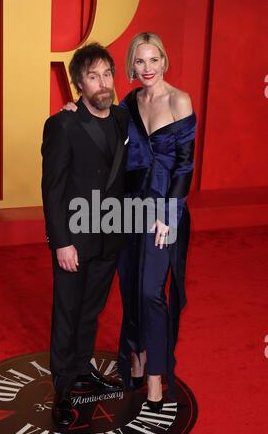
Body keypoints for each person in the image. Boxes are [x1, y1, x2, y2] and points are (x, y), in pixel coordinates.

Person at [63, 32, 196, 413]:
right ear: (131, 67)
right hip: (128, 211)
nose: (147, 68)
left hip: (165, 212)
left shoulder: (180, 100)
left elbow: (185, 166)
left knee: (151, 292)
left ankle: (155, 375)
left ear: (164, 61)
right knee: (130, 288)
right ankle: (135, 358)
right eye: (140, 62)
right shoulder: (128, 103)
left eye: (154, 60)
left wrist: (168, 216)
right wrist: (74, 108)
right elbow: (100, 118)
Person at [41, 43, 129, 426]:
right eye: (93, 76)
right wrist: (61, 241)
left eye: (107, 74)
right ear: (79, 83)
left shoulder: (124, 119)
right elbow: (53, 188)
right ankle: (61, 387)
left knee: (91, 310)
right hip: (74, 239)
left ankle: (80, 367)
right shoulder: (63, 123)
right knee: (67, 312)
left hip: (110, 236)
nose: (103, 82)